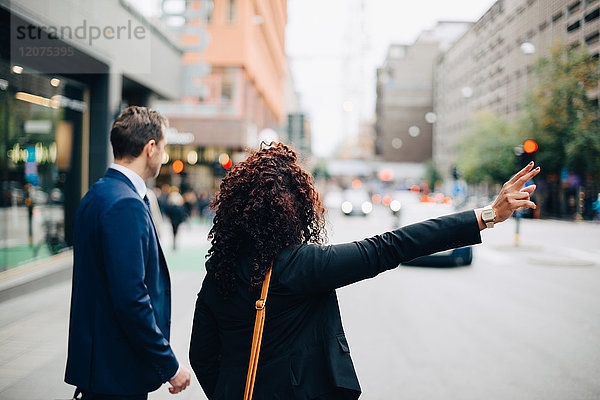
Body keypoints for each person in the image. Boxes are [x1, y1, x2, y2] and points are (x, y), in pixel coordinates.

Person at [189, 143, 540, 399]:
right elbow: (391, 246)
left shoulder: (217, 272)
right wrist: (487, 215)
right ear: (294, 211)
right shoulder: (299, 266)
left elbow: (201, 356)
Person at [65, 106, 191, 399]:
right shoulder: (126, 204)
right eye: (163, 147)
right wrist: (169, 365)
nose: (164, 155)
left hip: (99, 365)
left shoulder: (97, 194)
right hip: (117, 370)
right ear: (150, 149)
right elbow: (131, 299)